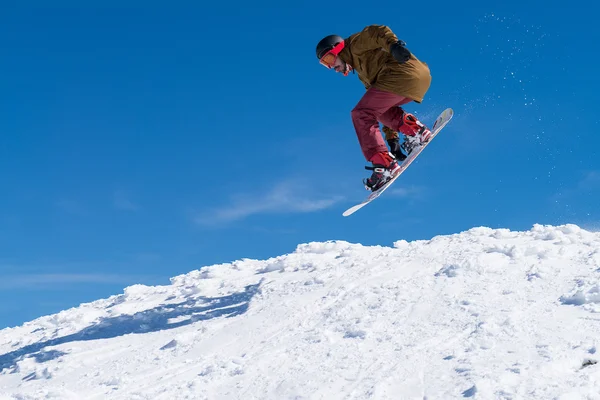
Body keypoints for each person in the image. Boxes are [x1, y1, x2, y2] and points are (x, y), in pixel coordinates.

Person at [316, 25, 433, 191]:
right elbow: (378, 107)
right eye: (324, 65)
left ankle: (384, 165)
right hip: (416, 79)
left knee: (360, 114)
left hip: (402, 73)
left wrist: (394, 46)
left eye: (328, 59)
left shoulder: (354, 45)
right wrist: (392, 139)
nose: (331, 67)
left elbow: (377, 32)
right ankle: (415, 131)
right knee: (374, 110)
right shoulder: (364, 72)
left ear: (338, 48)